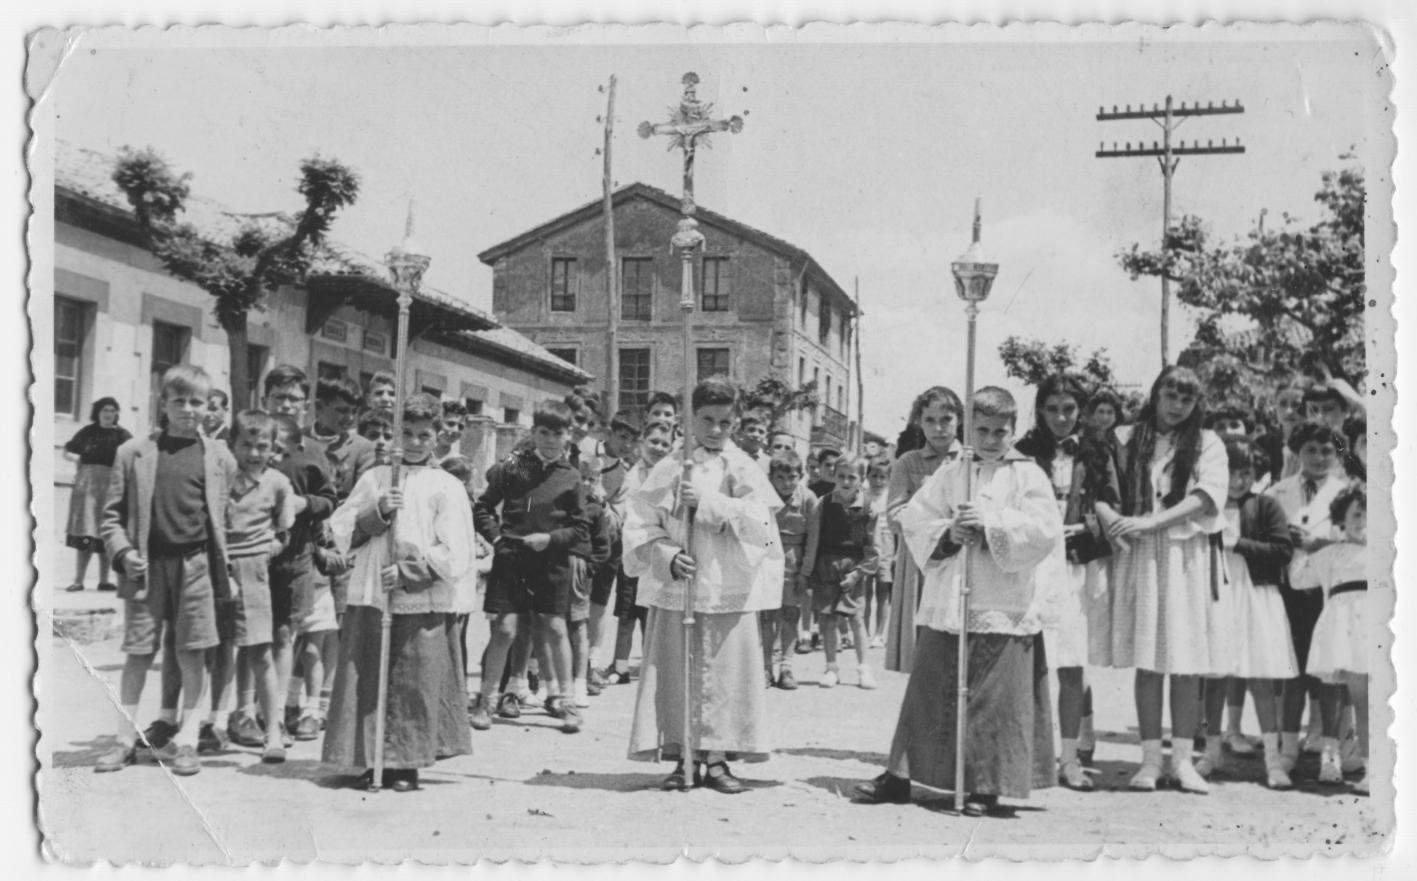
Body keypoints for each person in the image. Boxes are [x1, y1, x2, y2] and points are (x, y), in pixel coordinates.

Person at [856, 387, 1061, 817]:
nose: (990, 439)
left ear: (1014, 429)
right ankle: (900, 774)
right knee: (931, 686)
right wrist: (949, 533)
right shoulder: (954, 471)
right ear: (969, 428)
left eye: (999, 431)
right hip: (952, 596)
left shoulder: (1028, 474)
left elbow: (1044, 530)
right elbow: (914, 516)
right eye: (981, 430)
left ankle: (985, 784)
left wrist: (992, 525)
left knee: (993, 696)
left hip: (1003, 599)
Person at [623, 377, 784, 793]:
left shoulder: (743, 467)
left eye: (725, 422)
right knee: (679, 673)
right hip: (682, 586)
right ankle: (684, 756)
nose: (715, 430)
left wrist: (712, 505)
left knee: (726, 676)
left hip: (727, 586)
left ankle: (716, 760)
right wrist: (666, 555)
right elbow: (640, 523)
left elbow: (766, 532)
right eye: (707, 420)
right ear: (689, 419)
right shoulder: (670, 466)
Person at [322, 393, 475, 792]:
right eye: (406, 432)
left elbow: (457, 549)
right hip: (373, 592)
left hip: (418, 598)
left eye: (424, 434)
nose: (414, 442)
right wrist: (379, 512)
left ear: (438, 436)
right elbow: (343, 531)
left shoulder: (445, 485)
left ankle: (405, 761)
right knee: (370, 675)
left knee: (413, 681)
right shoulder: (375, 478)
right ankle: (369, 758)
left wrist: (410, 572)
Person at [96, 365, 237, 776]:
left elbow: (223, 514)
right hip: (146, 567)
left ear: (209, 406)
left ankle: (188, 740)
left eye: (197, 402)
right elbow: (110, 518)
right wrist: (123, 553)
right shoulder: (134, 452)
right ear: (164, 403)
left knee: (193, 652)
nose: (188, 409)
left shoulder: (219, 456)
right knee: (138, 652)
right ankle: (124, 740)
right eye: (179, 401)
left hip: (196, 566)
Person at [1095, 365, 1229, 794]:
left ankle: (1183, 762)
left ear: (1196, 404)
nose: (1177, 405)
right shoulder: (1126, 438)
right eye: (1170, 395)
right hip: (1140, 555)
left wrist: (1151, 524)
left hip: (1185, 555)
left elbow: (1205, 498)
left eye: (1187, 398)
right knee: (1150, 658)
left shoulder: (1208, 443)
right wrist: (1118, 521)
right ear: (1156, 394)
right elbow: (1102, 489)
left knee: (1186, 661)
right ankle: (1150, 761)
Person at [1015, 373, 1120, 791]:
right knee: (1028, 660)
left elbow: (1113, 501)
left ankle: (1070, 758)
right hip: (1032, 568)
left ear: (1081, 411)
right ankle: (1027, 754)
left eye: (1069, 409)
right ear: (1040, 410)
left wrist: (1089, 526)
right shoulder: (1022, 453)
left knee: (1072, 663)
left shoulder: (1096, 451)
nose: (1061, 417)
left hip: (1076, 566)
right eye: (1052, 409)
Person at [471, 399, 590, 734]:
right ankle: (487, 700)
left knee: (554, 629)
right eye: (544, 432)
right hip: (511, 560)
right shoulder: (517, 466)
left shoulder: (571, 476)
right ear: (533, 432)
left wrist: (550, 540)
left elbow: (581, 528)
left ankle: (566, 701)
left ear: (569, 435)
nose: (551, 440)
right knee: (505, 630)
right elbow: (483, 507)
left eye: (558, 433)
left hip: (551, 563)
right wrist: (496, 539)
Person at [1194, 438, 1298, 789]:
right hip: (1219, 595)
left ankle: (1273, 759)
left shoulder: (1265, 505)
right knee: (1214, 679)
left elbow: (1283, 550)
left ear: (1255, 474)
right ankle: (1211, 753)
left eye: (1245, 474)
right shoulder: (1207, 507)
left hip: (1255, 597)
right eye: (1231, 473)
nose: (1237, 481)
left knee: (1260, 680)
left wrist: (1239, 544)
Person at [211, 410, 297, 762]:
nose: (254, 453)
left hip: (255, 572)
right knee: (221, 650)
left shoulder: (277, 482)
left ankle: (273, 730)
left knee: (260, 652)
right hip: (220, 567)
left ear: (272, 447)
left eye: (262, 446)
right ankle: (215, 725)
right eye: (246, 445)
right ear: (232, 443)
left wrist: (276, 543)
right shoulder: (222, 478)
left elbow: (285, 526)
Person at [1266, 420, 1351, 770]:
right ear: (1297, 451)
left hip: (1329, 594)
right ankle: (1287, 749)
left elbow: (1360, 538)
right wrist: (1284, 539)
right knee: (1293, 674)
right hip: (1290, 593)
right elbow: (1264, 538)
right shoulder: (1277, 492)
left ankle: (1330, 750)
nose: (1319, 457)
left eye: (1327, 451)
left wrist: (1320, 543)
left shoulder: (1346, 493)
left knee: (1329, 674)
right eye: (1311, 450)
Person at [1291, 483, 1369, 794]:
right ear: (1341, 519)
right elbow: (1298, 579)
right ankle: (1370, 769)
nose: (1364, 521)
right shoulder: (1331, 554)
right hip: (1345, 635)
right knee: (1362, 702)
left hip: (1380, 631)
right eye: (1358, 514)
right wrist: (1300, 545)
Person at [883, 386, 964, 673]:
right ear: (919, 421)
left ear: (959, 420)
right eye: (930, 420)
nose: (939, 428)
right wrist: (931, 524)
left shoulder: (969, 460)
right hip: (921, 561)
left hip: (962, 557)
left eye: (946, 419)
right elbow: (894, 515)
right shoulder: (909, 462)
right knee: (923, 650)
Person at [269, 416, 339, 742]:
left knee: (300, 642)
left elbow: (328, 500)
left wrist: (304, 504)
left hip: (301, 561)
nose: (271, 453)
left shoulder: (309, 457)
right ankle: (264, 712)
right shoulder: (251, 463)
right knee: (264, 644)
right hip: (260, 564)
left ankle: (299, 710)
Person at [606, 418, 674, 685]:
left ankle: (650, 665)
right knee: (626, 613)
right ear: (642, 443)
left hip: (658, 552)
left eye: (664, 444)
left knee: (651, 614)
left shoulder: (671, 476)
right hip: (633, 552)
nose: (658, 447)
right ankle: (620, 666)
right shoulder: (630, 474)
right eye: (653, 441)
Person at [804, 453, 879, 689]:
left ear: (862, 479)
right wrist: (806, 573)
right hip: (827, 565)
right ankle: (831, 667)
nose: (846, 482)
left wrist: (858, 574)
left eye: (852, 477)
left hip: (854, 568)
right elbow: (813, 541)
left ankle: (864, 669)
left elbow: (873, 548)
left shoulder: (869, 508)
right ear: (834, 476)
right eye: (841, 477)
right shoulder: (822, 504)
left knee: (857, 618)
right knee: (828, 619)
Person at [63, 397, 132, 592]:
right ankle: (78, 580)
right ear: (98, 412)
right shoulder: (87, 432)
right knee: (86, 532)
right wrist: (79, 460)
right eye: (104, 410)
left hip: (111, 487)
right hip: (87, 488)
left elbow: (133, 457)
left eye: (112, 410)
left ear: (117, 413)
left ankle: (104, 580)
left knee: (105, 534)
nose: (108, 414)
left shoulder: (122, 435)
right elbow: (67, 451)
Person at [762, 449, 817, 690]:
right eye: (780, 478)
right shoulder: (762, 496)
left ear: (801, 476)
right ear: (771, 477)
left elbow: (813, 539)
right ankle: (765, 667)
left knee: (789, 615)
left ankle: (786, 666)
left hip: (794, 564)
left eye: (792, 477)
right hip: (766, 559)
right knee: (766, 616)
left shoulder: (808, 499)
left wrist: (805, 572)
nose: (786, 483)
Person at [863, 455, 895, 648]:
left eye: (882, 477)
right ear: (867, 476)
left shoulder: (891, 496)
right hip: (866, 543)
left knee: (883, 590)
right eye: (874, 475)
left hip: (886, 543)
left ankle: (880, 633)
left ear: (889, 478)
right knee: (866, 591)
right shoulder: (863, 495)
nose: (878, 481)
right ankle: (864, 631)